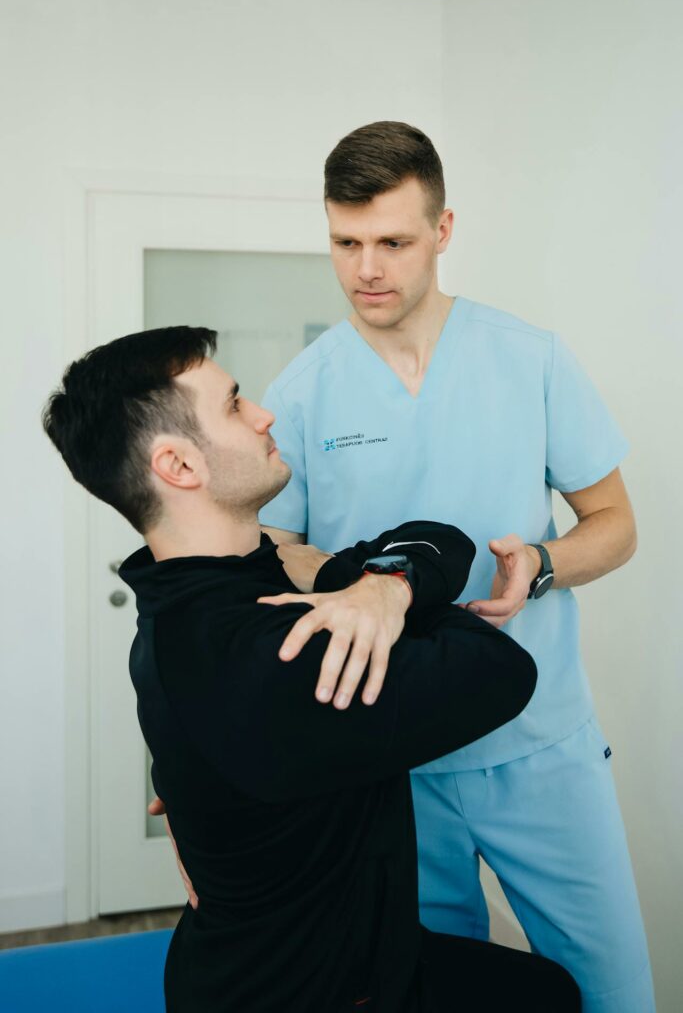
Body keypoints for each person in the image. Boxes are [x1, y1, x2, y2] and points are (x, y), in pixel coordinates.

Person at [42, 326, 580, 1012]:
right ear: (179, 466)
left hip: (336, 954)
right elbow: (498, 668)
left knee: (545, 991)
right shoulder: (273, 653)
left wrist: (383, 584)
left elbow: (438, 537)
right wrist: (368, 581)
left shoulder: (201, 590)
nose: (264, 415)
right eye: (235, 405)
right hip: (310, 992)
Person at [257, 121, 655, 1013]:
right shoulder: (301, 389)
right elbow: (271, 544)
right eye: (345, 242)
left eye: (393, 242)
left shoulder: (530, 358)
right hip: (389, 762)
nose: (367, 268)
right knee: (425, 994)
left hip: (539, 744)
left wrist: (543, 563)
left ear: (442, 231)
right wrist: (346, 580)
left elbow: (615, 525)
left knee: (614, 992)